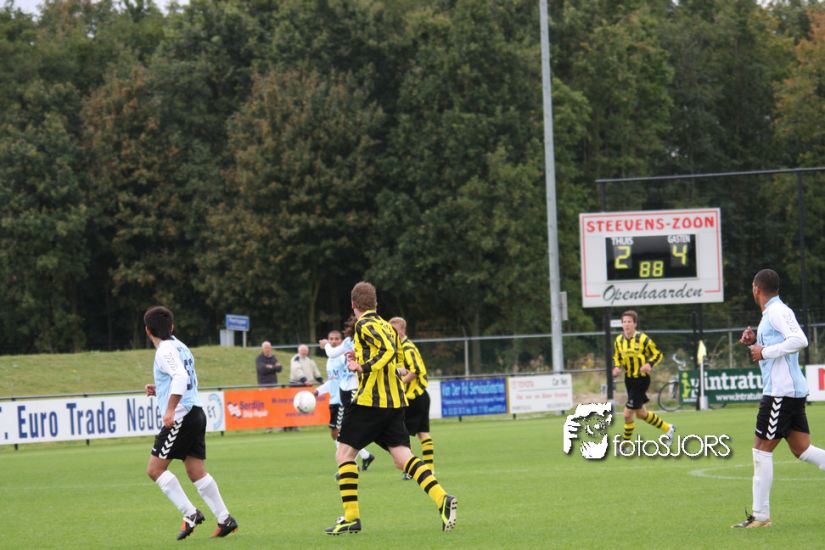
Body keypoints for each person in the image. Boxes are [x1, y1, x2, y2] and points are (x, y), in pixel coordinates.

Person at [325, 281, 457, 535]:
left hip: (370, 403)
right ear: (375, 303)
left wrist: (362, 367)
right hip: (395, 403)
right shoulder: (387, 326)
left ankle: (351, 518)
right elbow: (393, 360)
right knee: (402, 458)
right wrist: (359, 358)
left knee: (344, 455)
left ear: (353, 305)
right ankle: (442, 498)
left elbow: (385, 352)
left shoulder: (363, 324)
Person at [731, 268, 824, 528]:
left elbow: (800, 340)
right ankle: (760, 516)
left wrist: (764, 351)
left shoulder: (777, 311)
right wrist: (753, 343)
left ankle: (760, 517)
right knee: (802, 449)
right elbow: (769, 349)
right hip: (787, 391)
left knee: (761, 449)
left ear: (756, 288)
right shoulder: (771, 314)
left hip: (780, 393)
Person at [142, 305, 238, 540]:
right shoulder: (180, 346)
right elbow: (184, 379)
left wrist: (170, 409)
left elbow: (181, 377)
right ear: (172, 327)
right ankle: (225, 519)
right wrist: (161, 390)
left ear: (147, 330)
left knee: (155, 470)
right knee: (196, 471)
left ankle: (190, 513)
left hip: (182, 415)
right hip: (195, 412)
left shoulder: (164, 350)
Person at [612, 310, 675, 445]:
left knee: (627, 414)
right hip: (629, 380)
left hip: (641, 379)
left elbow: (658, 354)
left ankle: (625, 445)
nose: (626, 324)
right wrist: (616, 367)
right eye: (624, 322)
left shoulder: (643, 339)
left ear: (635, 324)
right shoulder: (618, 340)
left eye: (629, 322)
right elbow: (617, 357)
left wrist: (649, 364)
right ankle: (668, 428)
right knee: (640, 414)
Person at [317, 326, 375, 470]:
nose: (333, 341)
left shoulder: (343, 355)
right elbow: (332, 381)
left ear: (341, 341)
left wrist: (327, 346)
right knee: (337, 433)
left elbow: (345, 370)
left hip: (343, 398)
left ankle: (348, 464)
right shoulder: (330, 361)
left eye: (336, 339)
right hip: (335, 399)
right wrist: (318, 391)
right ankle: (365, 456)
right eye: (331, 339)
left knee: (341, 432)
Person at [389, 316, 435, 479]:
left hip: (413, 397)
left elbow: (415, 370)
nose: (392, 333)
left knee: (403, 435)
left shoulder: (406, 347)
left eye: (394, 330)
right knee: (423, 433)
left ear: (402, 330)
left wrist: (400, 383)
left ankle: (410, 470)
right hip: (420, 396)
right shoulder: (401, 347)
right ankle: (429, 468)